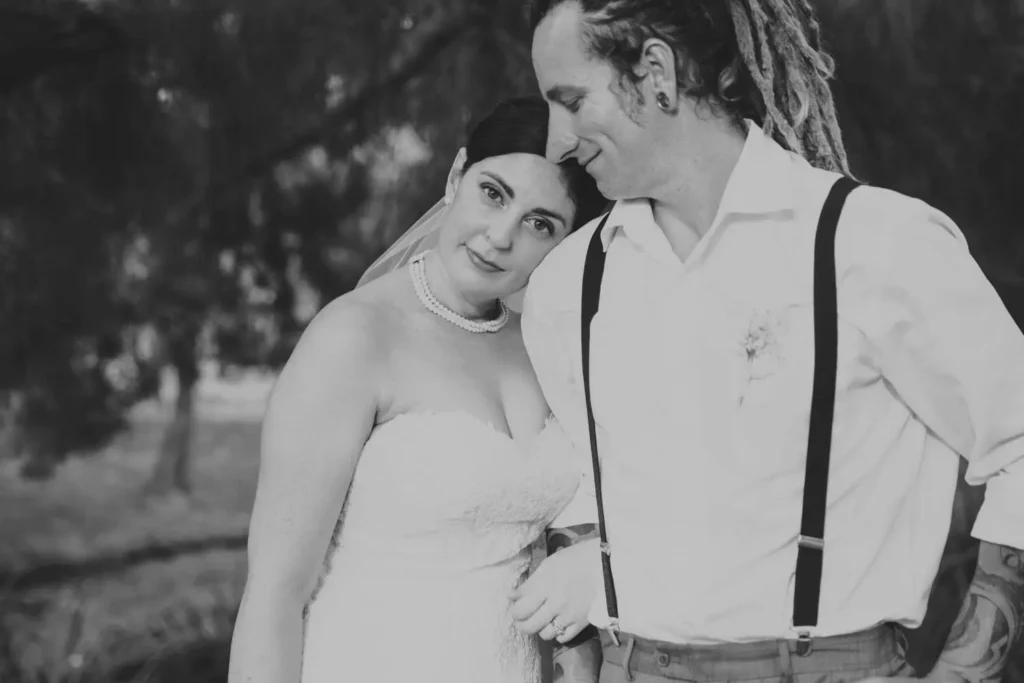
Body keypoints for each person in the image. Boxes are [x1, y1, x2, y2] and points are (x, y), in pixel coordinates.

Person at [509, 2, 1024, 683]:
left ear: (656, 72)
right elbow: (582, 500)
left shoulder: (872, 244)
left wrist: (965, 667)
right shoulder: (567, 287)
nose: (557, 142)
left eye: (571, 101)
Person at [226, 96, 607, 683]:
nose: (500, 237)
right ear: (456, 176)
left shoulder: (542, 343)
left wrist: (596, 560)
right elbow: (274, 596)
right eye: (493, 192)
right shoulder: (354, 338)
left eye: (540, 223)